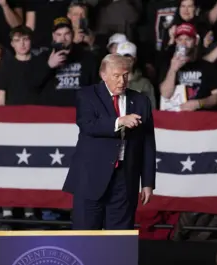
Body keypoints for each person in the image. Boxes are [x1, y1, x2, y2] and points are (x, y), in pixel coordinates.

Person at [63, 54, 156, 230]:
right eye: (116, 76)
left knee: (119, 239)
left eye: (125, 75)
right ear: (103, 74)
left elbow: (148, 144)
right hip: (90, 177)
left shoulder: (141, 101)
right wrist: (119, 121)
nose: (122, 81)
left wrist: (148, 182)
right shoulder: (87, 95)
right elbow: (88, 125)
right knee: (85, 236)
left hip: (125, 178)